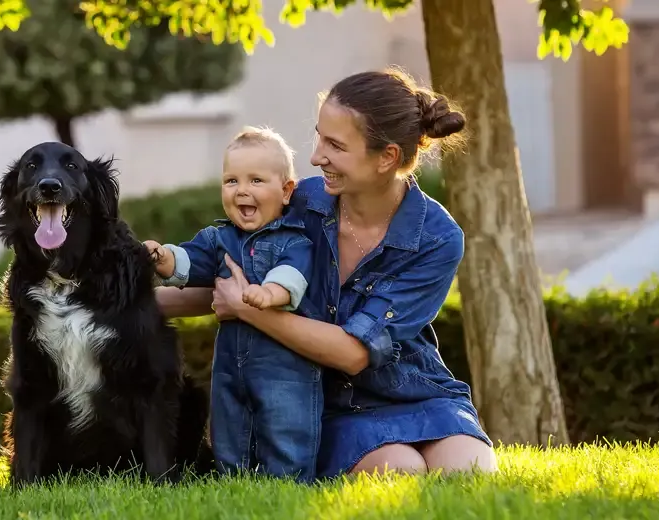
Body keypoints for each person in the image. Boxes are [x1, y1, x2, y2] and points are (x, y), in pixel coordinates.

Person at [152, 68, 498, 480]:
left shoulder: (437, 238)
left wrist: (250, 312)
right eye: (319, 137)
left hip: (418, 392)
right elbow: (228, 282)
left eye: (335, 145)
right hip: (325, 401)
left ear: (386, 157)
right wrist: (112, 302)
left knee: (468, 472)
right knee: (402, 471)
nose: (316, 157)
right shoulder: (299, 202)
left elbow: (354, 352)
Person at [143, 126, 322, 482]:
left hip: (286, 369)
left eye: (256, 181)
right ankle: (233, 478)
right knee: (229, 423)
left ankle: (288, 480)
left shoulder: (293, 240)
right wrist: (163, 257)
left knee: (286, 424)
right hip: (230, 365)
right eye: (231, 181)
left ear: (286, 191)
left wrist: (269, 293)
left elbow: (293, 276)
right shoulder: (219, 238)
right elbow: (190, 262)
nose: (242, 190)